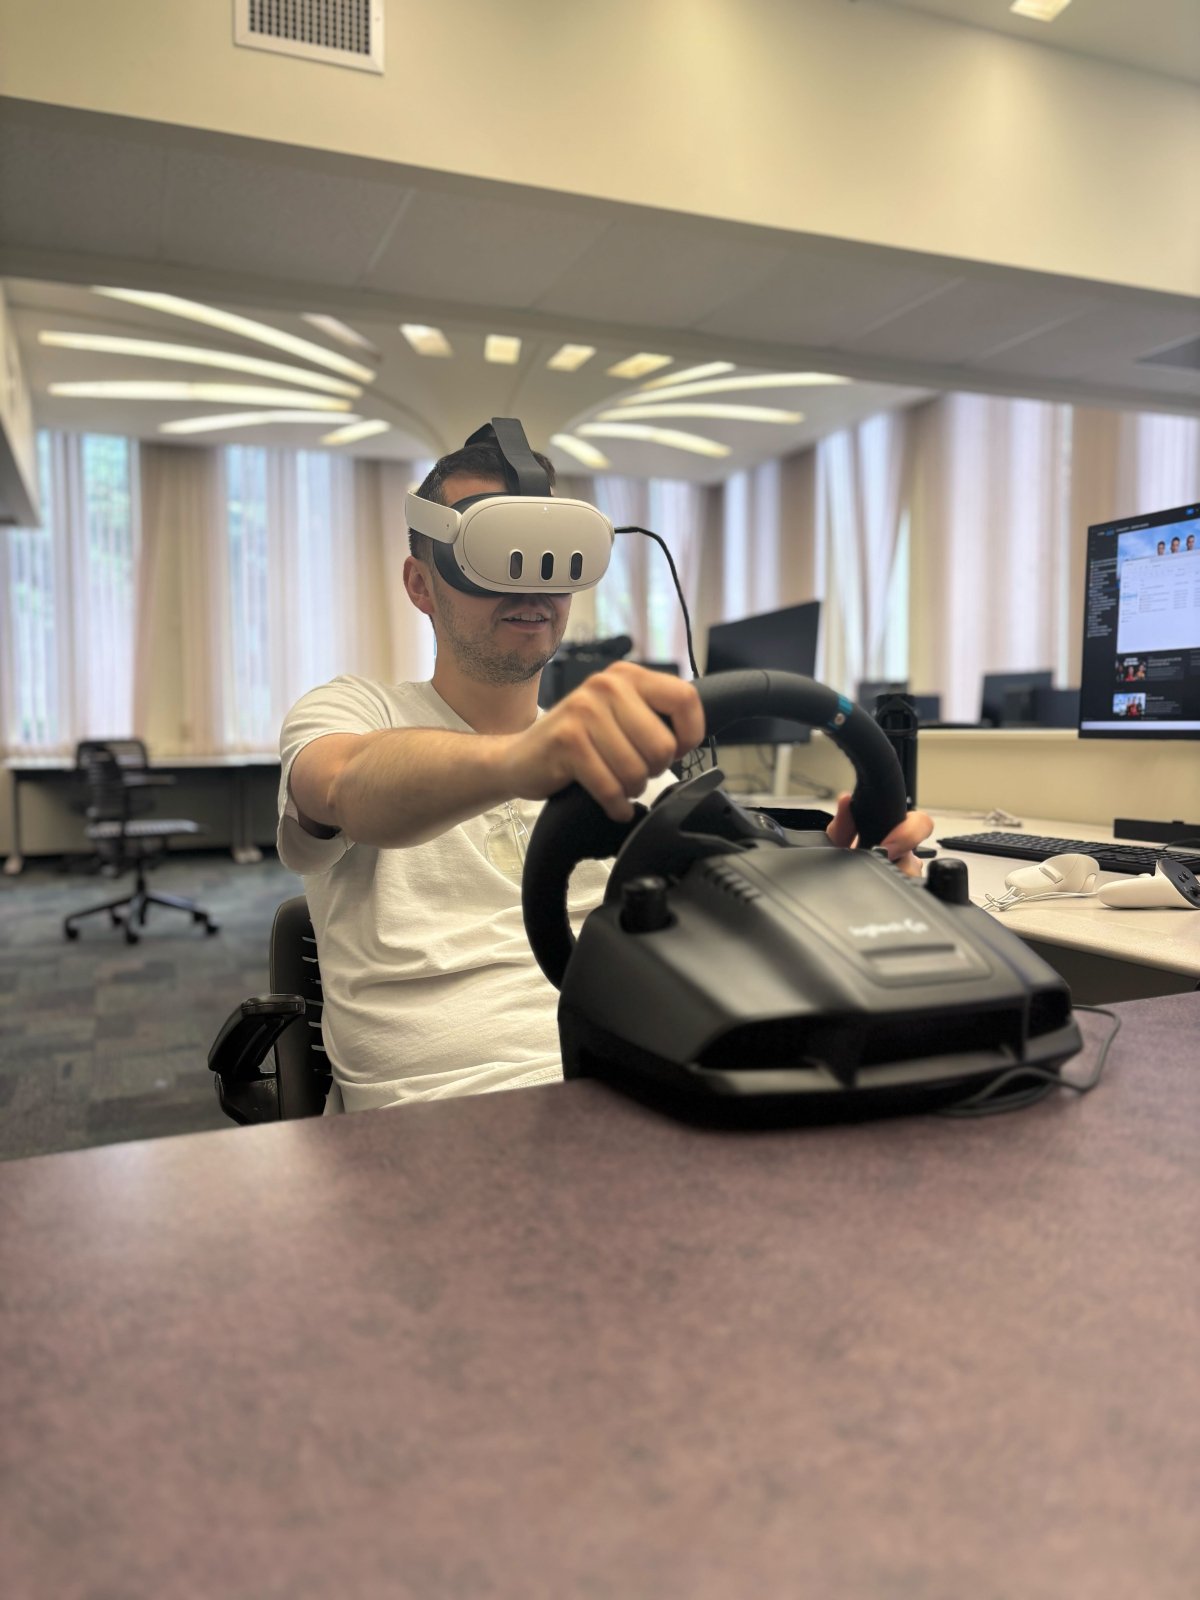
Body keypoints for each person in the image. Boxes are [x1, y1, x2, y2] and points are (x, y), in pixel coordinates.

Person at [277, 436, 934, 1112]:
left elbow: (715, 926)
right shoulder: (352, 711)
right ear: (421, 585)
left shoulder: (627, 763)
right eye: (493, 553)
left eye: (548, 556)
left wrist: (845, 880)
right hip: (436, 1114)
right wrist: (521, 759)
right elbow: (342, 785)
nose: (528, 584)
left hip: (632, 1080)